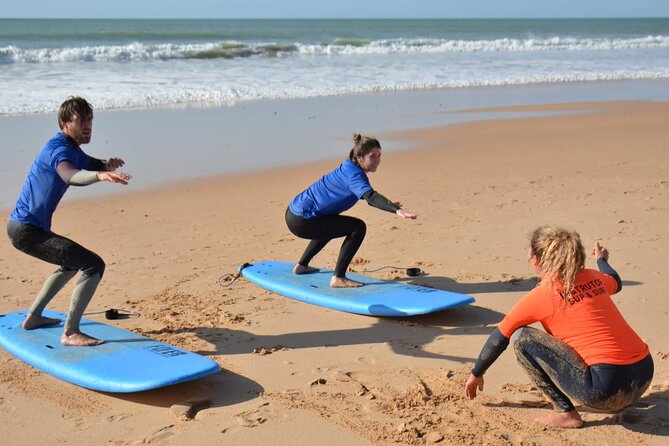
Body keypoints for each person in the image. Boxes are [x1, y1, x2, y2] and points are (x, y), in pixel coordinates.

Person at [465, 226, 653, 428]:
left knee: (521, 337)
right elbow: (616, 281)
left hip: (605, 392)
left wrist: (476, 373)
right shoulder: (594, 277)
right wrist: (601, 260)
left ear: (536, 260)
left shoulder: (543, 294)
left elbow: (499, 336)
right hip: (643, 376)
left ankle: (567, 413)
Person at [6, 96, 132, 347]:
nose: (88, 125)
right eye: (81, 120)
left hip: (27, 228)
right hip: (25, 230)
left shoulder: (72, 148)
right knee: (93, 264)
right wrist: (101, 175)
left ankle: (33, 317)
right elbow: (71, 175)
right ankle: (71, 332)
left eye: (90, 119)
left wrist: (107, 164)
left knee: (70, 263)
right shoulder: (59, 150)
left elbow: (89, 162)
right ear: (64, 123)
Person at [286, 133, 417, 288]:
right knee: (358, 227)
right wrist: (395, 210)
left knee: (330, 223)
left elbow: (365, 195)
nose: (377, 160)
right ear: (360, 157)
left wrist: (388, 204)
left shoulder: (349, 168)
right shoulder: (354, 175)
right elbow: (371, 197)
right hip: (303, 220)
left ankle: (302, 266)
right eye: (372, 156)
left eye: (379, 155)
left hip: (294, 213)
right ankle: (338, 278)